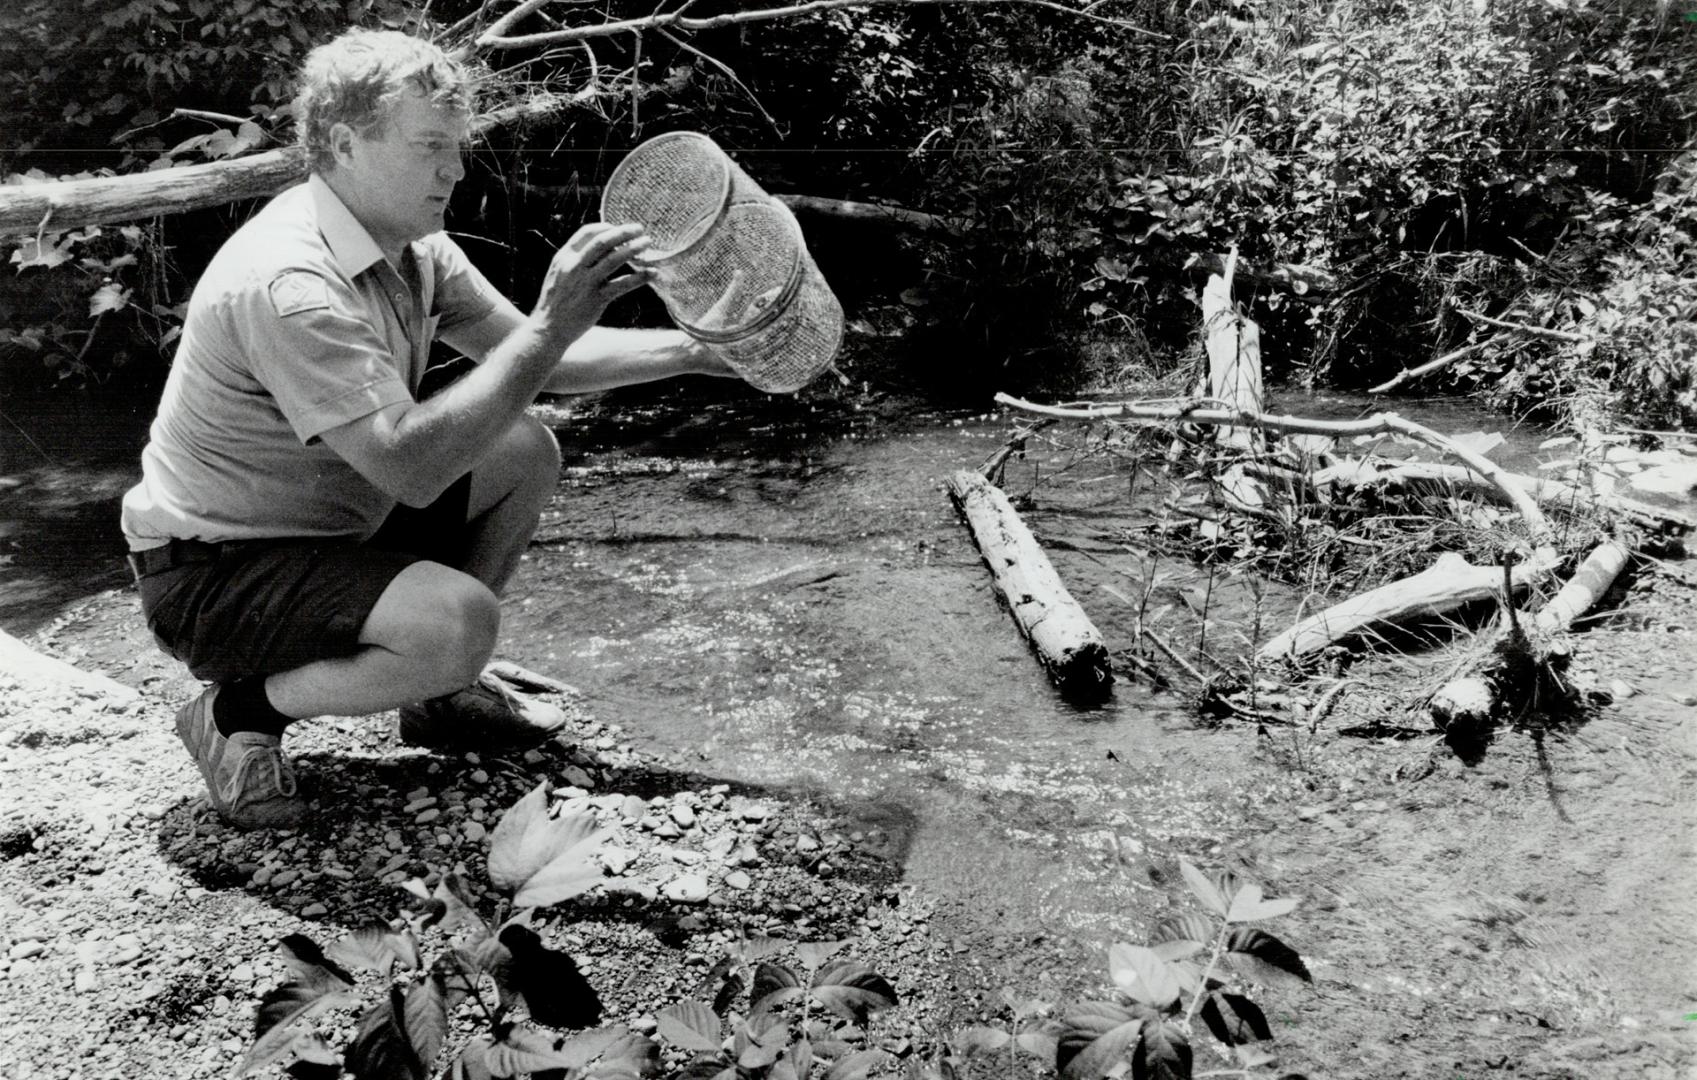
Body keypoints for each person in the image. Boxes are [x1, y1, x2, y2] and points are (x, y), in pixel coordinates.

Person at [119, 28, 734, 831]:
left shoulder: (412, 247)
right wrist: (550, 327)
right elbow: (409, 468)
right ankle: (239, 712)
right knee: (459, 621)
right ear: (344, 143)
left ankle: (436, 695)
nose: (454, 168)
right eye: (430, 147)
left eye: (457, 146)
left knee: (520, 448)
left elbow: (528, 357)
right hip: (211, 577)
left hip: (318, 535)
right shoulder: (288, 280)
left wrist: (697, 349)